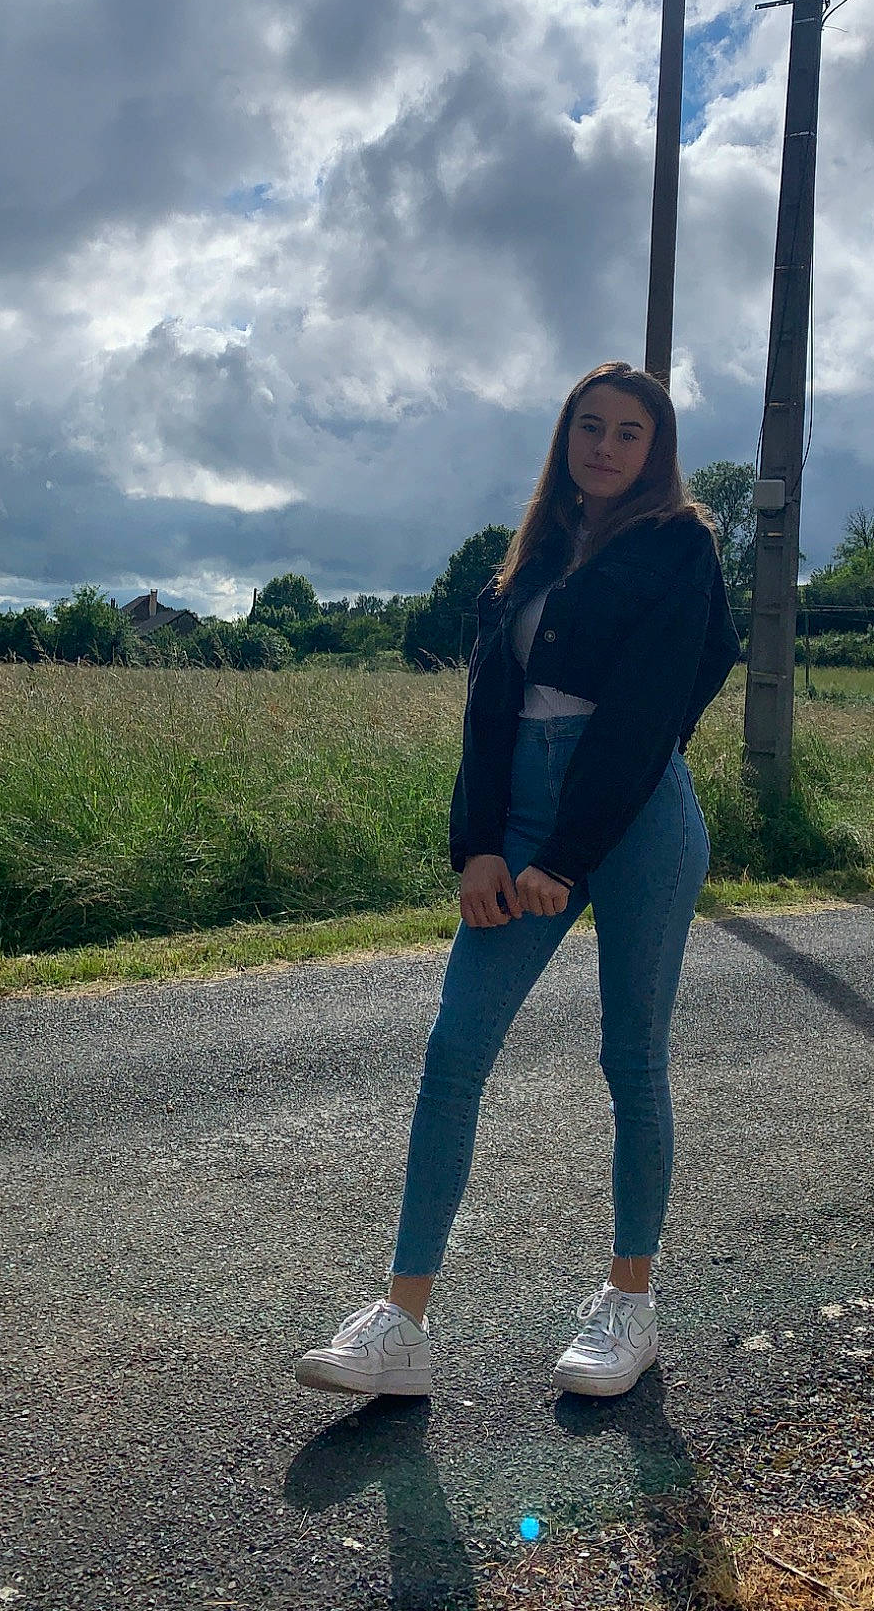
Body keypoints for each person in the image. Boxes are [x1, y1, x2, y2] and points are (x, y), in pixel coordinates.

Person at [295, 360, 742, 1400]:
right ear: (565, 437)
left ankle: (630, 1301)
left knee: (631, 1053)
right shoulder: (527, 560)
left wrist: (568, 852)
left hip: (631, 818)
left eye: (630, 432)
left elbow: (653, 702)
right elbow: (487, 710)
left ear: (655, 449)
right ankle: (400, 1323)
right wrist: (481, 847)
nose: (607, 445)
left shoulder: (679, 545)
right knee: (455, 1046)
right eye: (591, 426)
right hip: (525, 820)